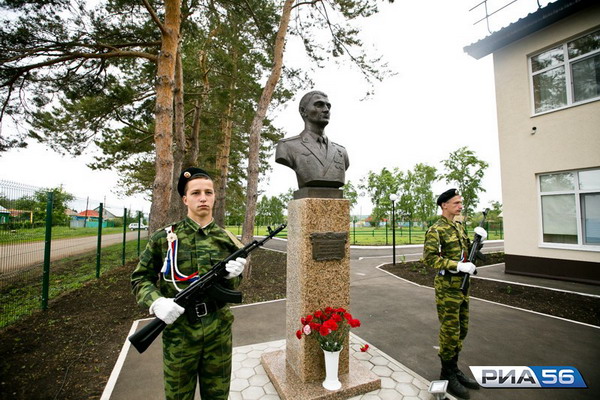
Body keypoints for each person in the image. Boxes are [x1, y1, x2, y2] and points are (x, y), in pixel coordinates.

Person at [131, 167, 246, 400]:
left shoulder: (228, 239)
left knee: (218, 396)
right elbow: (140, 278)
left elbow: (233, 287)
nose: (203, 197)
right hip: (180, 333)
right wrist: (157, 302)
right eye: (195, 193)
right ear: (185, 199)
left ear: (214, 197)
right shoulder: (164, 238)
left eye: (208, 192)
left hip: (218, 330)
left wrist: (234, 277)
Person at [423, 189, 484, 399]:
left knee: (462, 329)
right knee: (450, 331)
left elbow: (466, 252)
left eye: (460, 202)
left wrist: (478, 245)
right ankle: (447, 373)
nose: (460, 206)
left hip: (463, 286)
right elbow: (430, 259)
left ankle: (454, 369)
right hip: (448, 287)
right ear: (444, 205)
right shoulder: (436, 230)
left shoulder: (458, 227)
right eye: (456, 203)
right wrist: (456, 265)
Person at [275, 90, 349, 189]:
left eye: (328, 106)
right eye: (319, 105)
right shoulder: (287, 146)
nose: (326, 110)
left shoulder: (341, 151)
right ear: (303, 111)